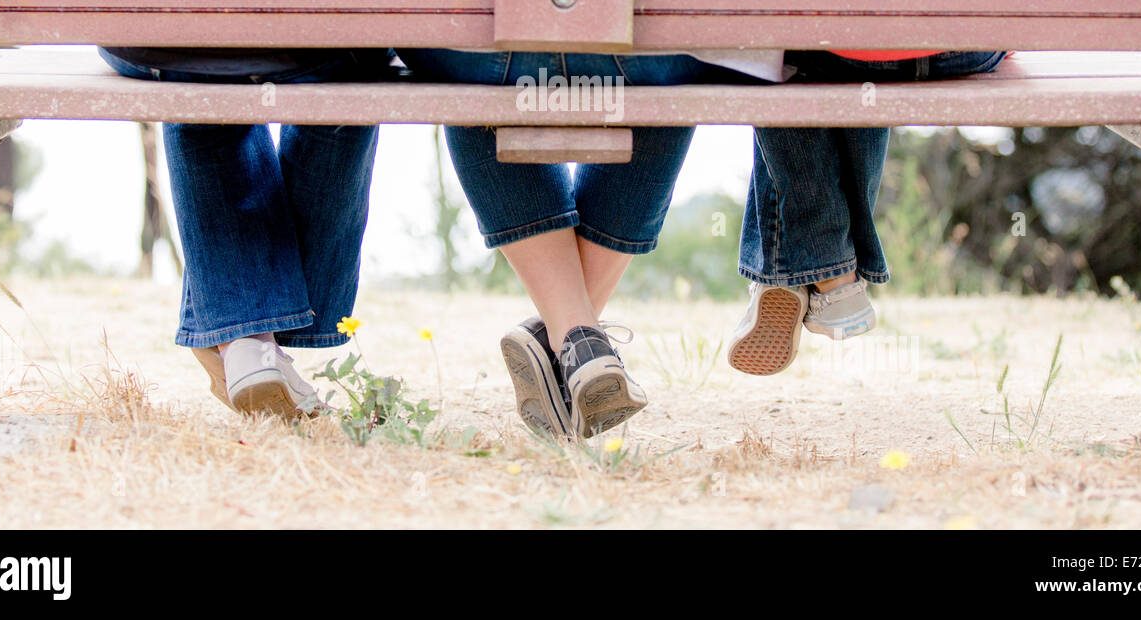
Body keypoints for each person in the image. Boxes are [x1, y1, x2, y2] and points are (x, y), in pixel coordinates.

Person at [396, 49, 780, 439]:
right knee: (672, 50)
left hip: (479, 59)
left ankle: (569, 335)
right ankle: (578, 344)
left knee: (468, 55)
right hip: (646, 60)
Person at [98, 46, 392, 417]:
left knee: (196, 54)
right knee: (347, 66)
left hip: (152, 40)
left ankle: (246, 340)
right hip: (321, 43)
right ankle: (249, 336)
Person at [727, 50, 1010, 375]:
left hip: (846, 49)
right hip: (963, 52)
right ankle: (821, 279)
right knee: (847, 46)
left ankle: (821, 271)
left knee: (773, 54)